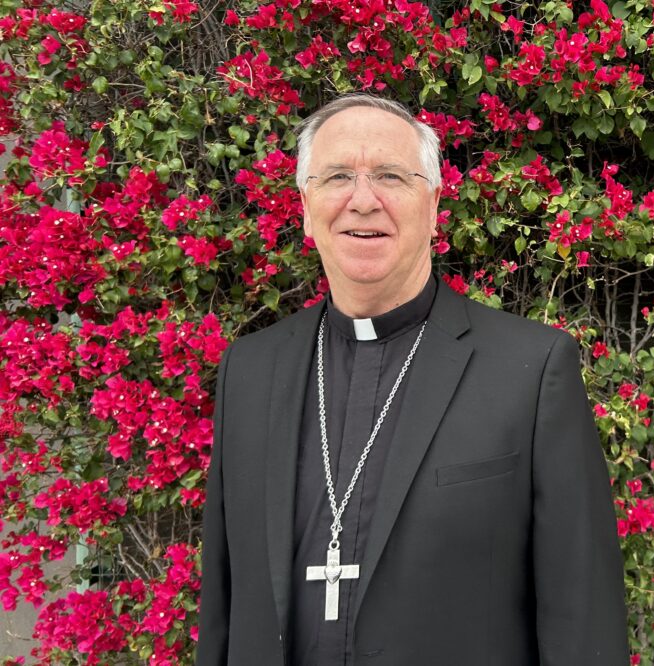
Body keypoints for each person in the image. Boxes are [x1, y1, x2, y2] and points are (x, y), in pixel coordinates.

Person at [195, 93, 629, 665]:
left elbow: (583, 619)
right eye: (337, 177)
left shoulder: (530, 371)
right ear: (305, 206)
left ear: (433, 204)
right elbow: (222, 608)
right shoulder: (250, 371)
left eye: (391, 176)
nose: (362, 201)